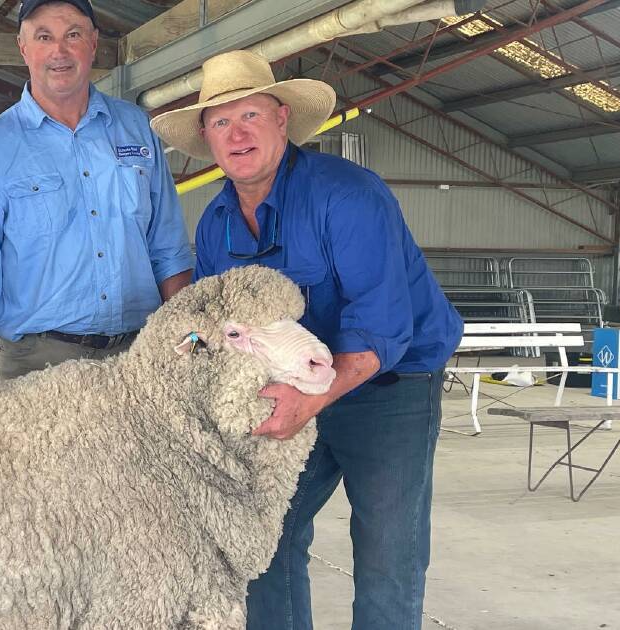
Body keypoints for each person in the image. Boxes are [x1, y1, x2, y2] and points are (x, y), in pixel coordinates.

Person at [150, 51, 464, 630]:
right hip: (291, 391)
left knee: (387, 548)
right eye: (221, 122)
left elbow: (383, 324)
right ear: (206, 138)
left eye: (250, 115)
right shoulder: (216, 222)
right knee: (266, 539)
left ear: (281, 119)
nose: (237, 133)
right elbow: (217, 322)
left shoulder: (347, 196)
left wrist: (313, 399)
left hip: (389, 384)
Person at [0, 0, 193, 380]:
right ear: (23, 47)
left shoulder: (137, 128)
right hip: (38, 368)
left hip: (141, 359)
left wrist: (192, 348)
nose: (59, 51)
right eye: (44, 37)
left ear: (94, 42)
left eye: (72, 35)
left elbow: (169, 254)